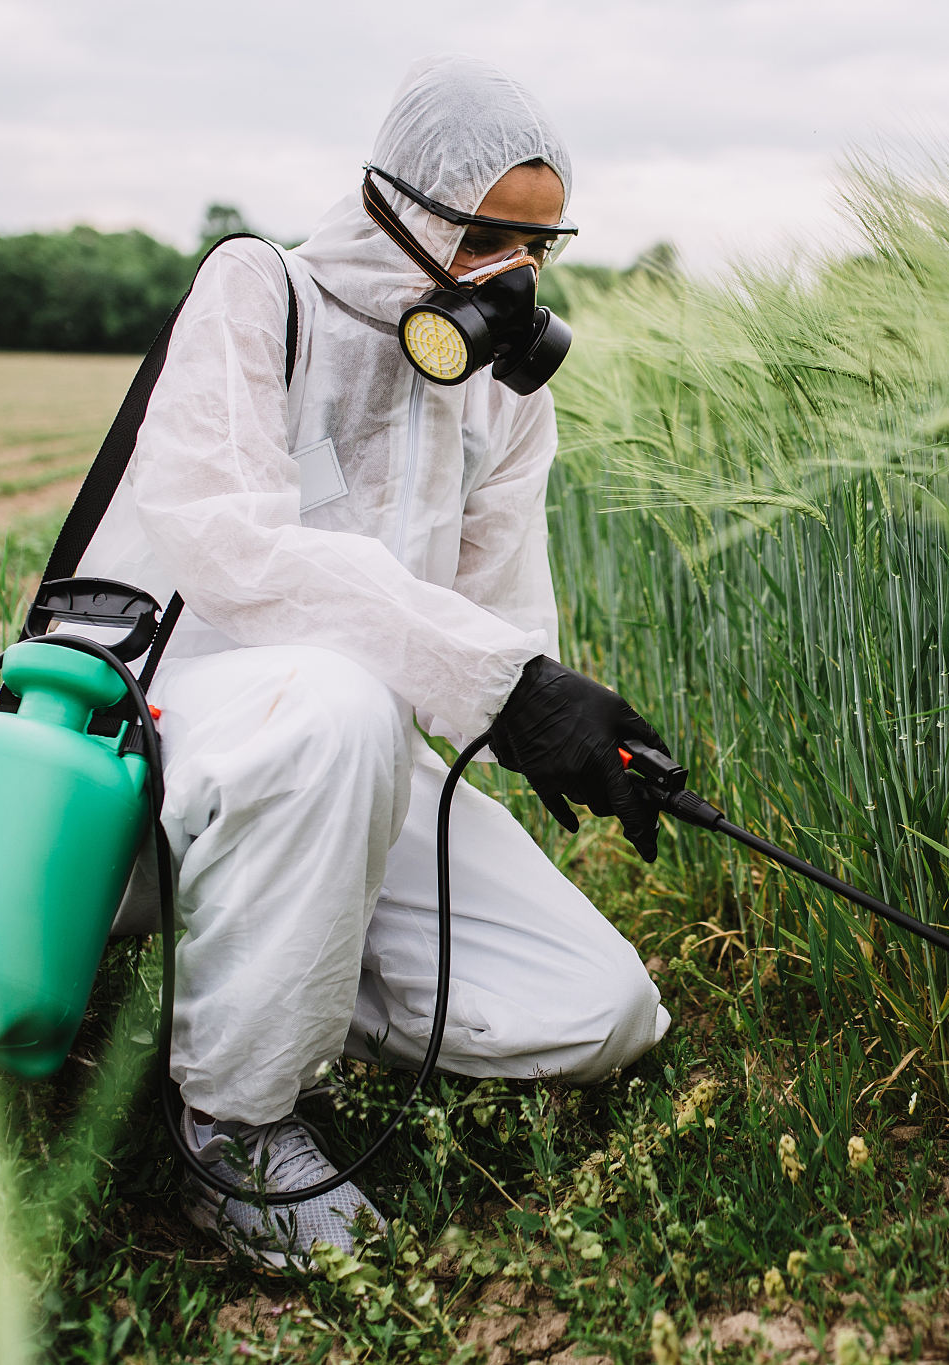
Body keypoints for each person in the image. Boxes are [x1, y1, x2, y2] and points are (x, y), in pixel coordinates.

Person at [73, 55, 670, 1267]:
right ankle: (232, 1129)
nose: (512, 276)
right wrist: (495, 682)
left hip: (348, 773)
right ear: (396, 201)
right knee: (342, 704)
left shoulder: (503, 398)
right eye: (488, 237)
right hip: (164, 749)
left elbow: (494, 616)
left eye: (540, 247)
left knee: (599, 1011)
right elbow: (229, 547)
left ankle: (252, 977)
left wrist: (548, 715)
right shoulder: (258, 291)